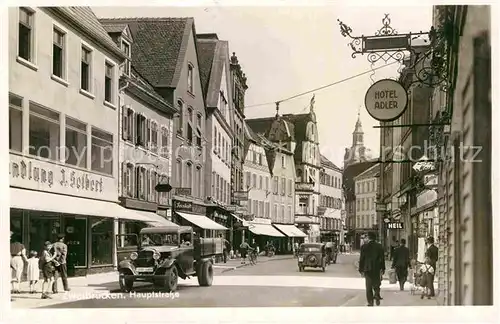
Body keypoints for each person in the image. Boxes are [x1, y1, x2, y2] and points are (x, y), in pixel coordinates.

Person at [358, 232, 385, 306]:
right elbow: (382, 259)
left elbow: (362, 259)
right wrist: (383, 268)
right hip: (376, 267)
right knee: (376, 283)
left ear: (369, 238)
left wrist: (361, 269)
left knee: (368, 285)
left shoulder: (364, 247)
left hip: (367, 268)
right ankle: (376, 294)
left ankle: (370, 302)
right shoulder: (379, 246)